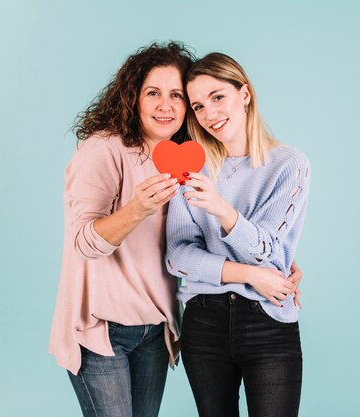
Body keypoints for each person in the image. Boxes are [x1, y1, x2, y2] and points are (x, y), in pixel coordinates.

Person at [49, 42, 303, 417]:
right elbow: (90, 245)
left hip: (156, 327)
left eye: (178, 96)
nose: (166, 106)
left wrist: (280, 264)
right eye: (153, 93)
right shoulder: (103, 150)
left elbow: (254, 242)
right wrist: (137, 209)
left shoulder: (189, 157)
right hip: (102, 328)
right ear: (133, 97)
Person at [166, 52, 311, 417]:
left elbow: (268, 252)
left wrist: (222, 211)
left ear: (244, 94)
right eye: (198, 106)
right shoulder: (191, 169)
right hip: (204, 321)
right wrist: (248, 275)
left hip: (268, 319)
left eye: (218, 97)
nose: (210, 114)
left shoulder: (289, 165)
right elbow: (178, 256)